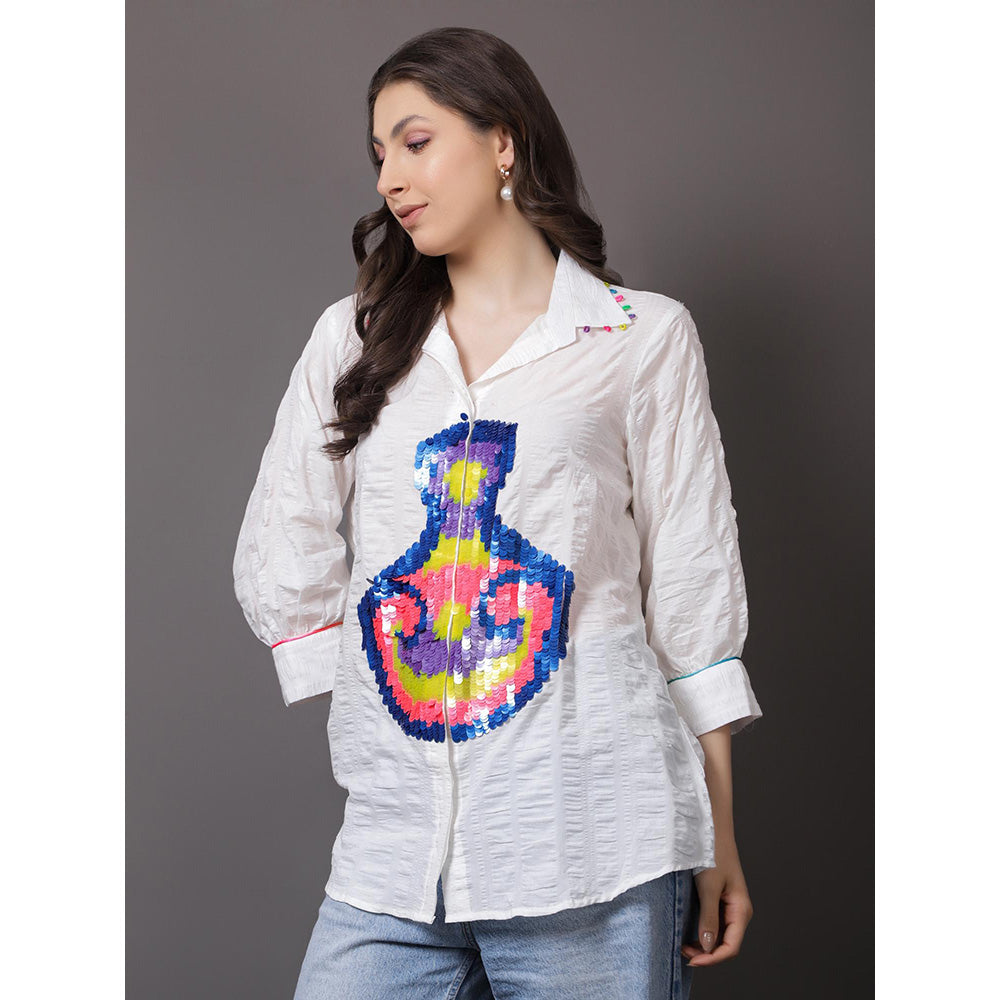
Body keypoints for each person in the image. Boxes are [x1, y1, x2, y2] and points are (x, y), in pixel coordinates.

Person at [232, 26, 764, 1000]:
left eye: (416, 142)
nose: (391, 177)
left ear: (503, 142)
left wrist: (714, 836)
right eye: (379, 154)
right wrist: (343, 676)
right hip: (395, 853)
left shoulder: (639, 337)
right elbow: (285, 526)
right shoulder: (353, 337)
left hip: (593, 845)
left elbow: (692, 592)